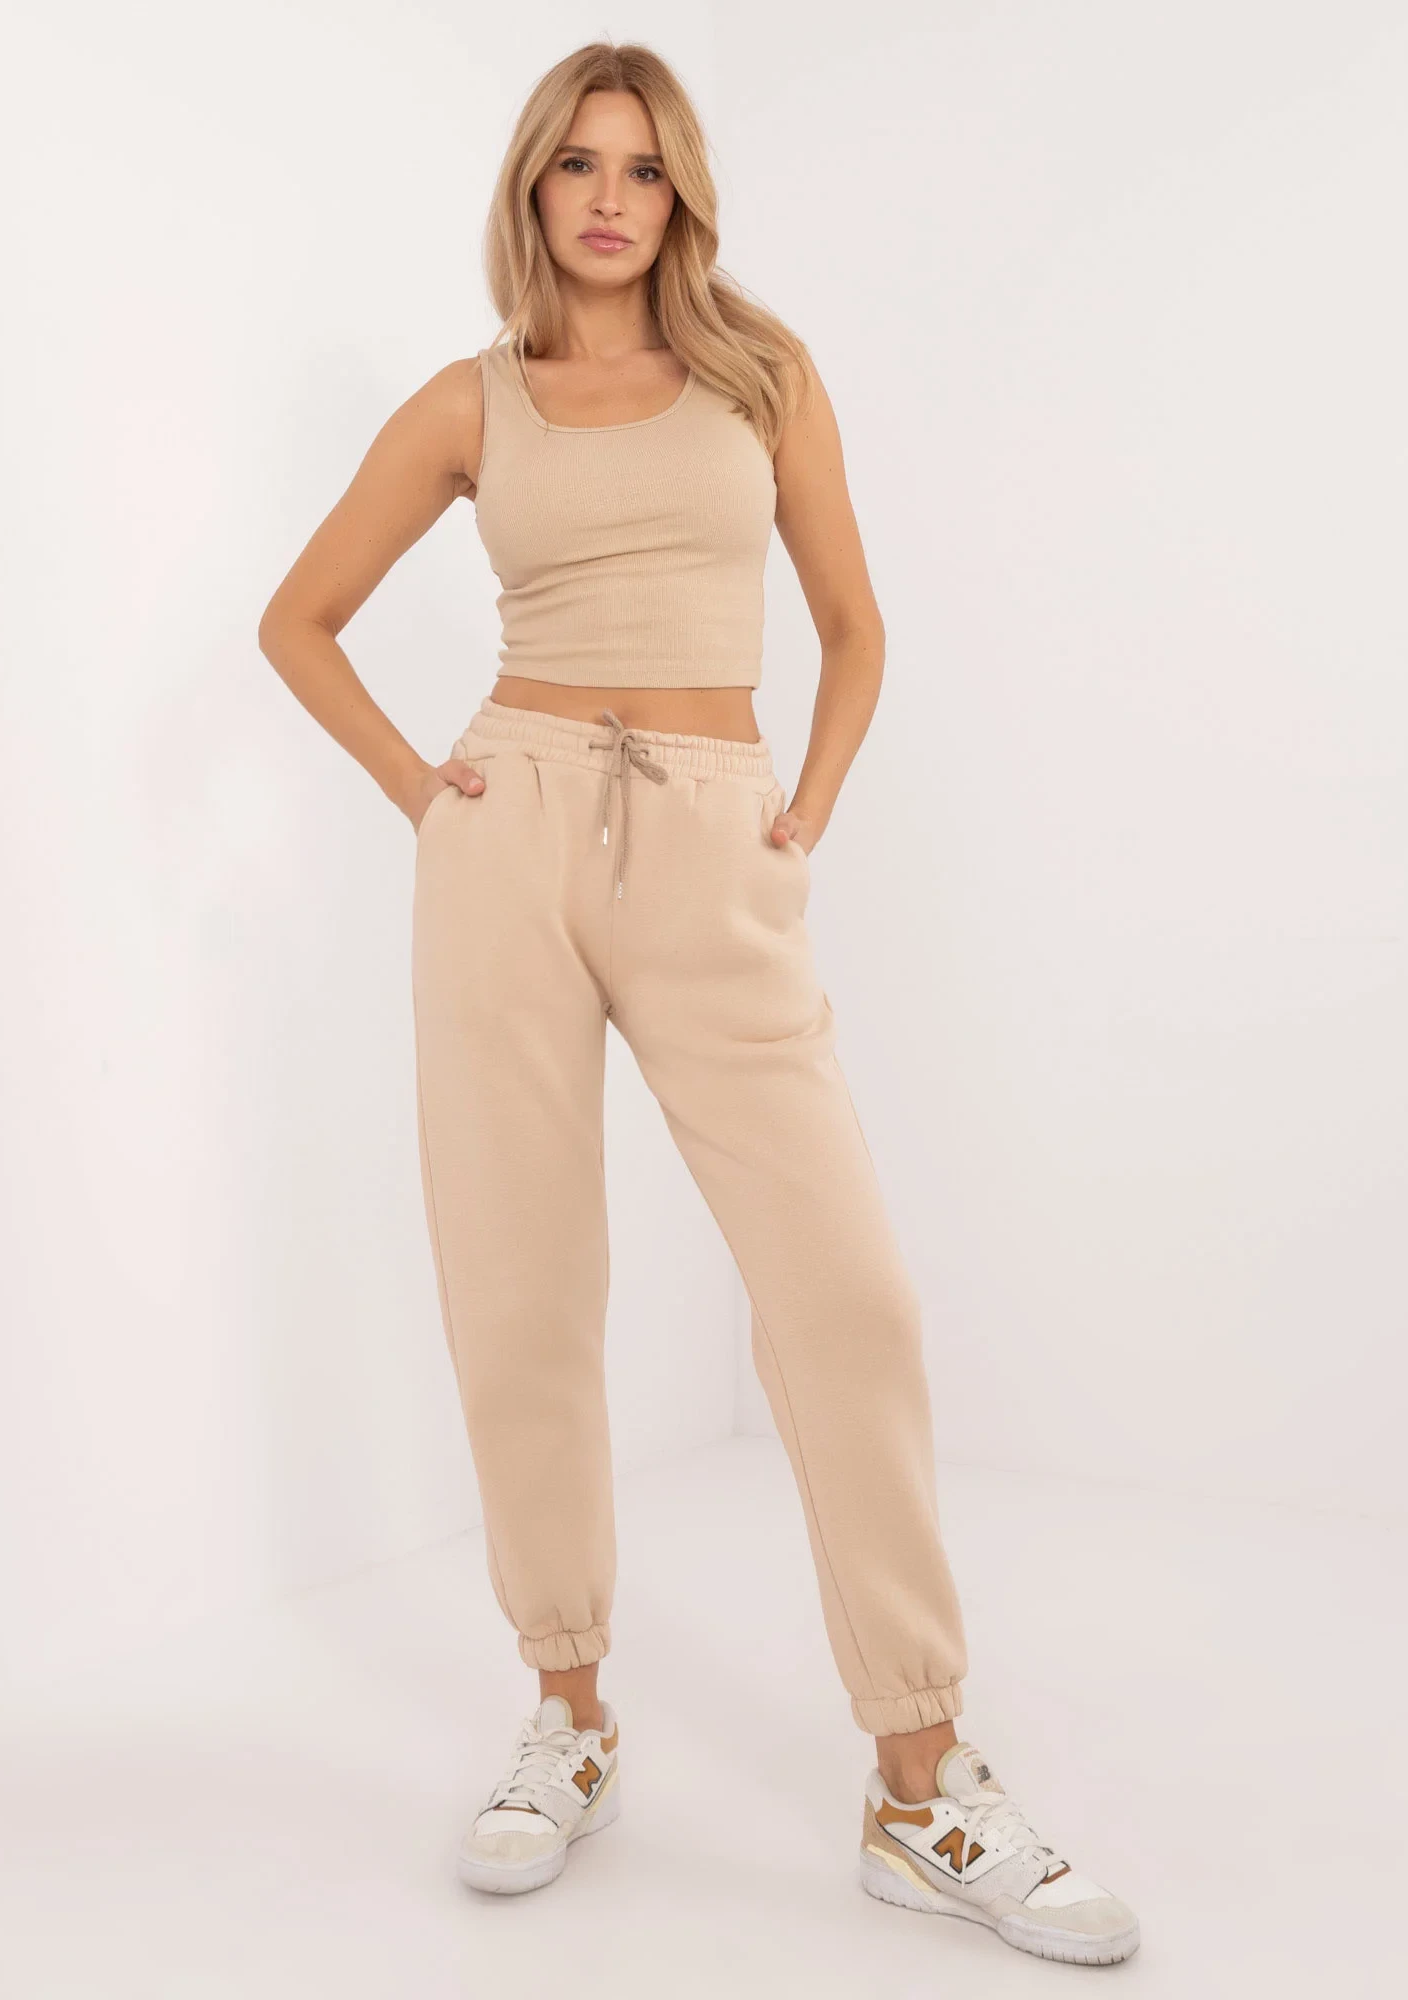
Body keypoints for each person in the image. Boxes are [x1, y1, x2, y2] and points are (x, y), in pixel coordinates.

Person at [257, 40, 1139, 1969]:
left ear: (682, 196)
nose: (609, 198)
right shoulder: (473, 400)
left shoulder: (763, 375)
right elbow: (294, 620)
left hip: (717, 841)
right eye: (578, 164)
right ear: (533, 187)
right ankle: (567, 1715)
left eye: (643, 168)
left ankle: (921, 1780)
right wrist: (425, 795)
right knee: (519, 1288)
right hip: (508, 836)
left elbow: (855, 622)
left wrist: (803, 804)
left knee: (845, 1290)